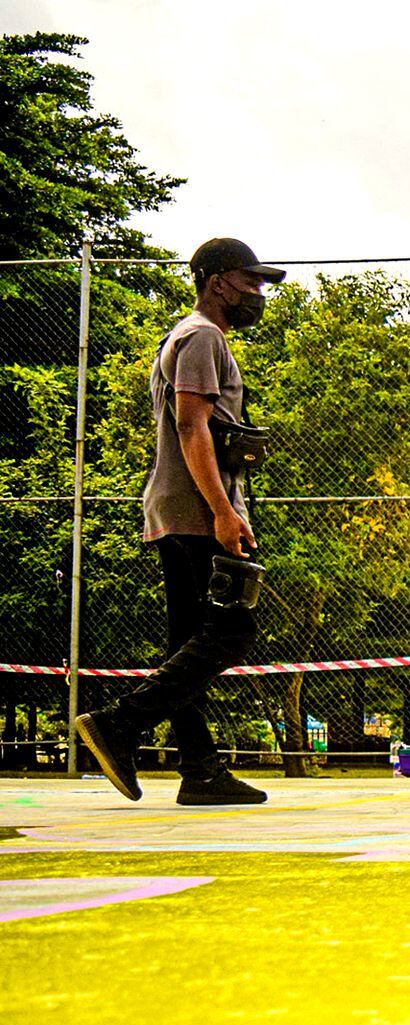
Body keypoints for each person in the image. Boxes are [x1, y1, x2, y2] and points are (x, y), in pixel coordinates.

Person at [75, 237, 284, 806]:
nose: (258, 294)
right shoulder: (201, 336)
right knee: (230, 631)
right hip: (196, 510)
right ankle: (119, 725)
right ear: (217, 281)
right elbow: (193, 427)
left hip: (177, 505)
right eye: (251, 281)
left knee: (185, 642)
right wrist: (223, 510)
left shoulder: (184, 336)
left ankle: (200, 771)